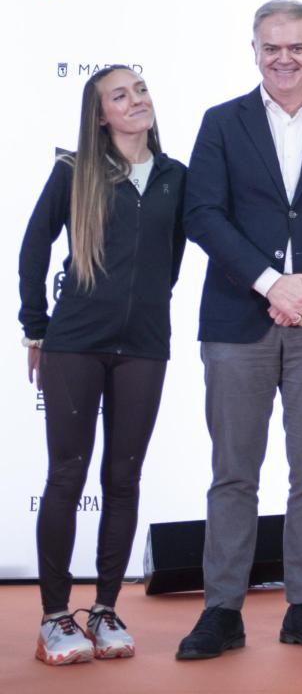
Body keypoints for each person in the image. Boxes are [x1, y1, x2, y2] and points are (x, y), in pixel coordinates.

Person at [177, 0, 302, 660]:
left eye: (296, 47)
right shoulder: (221, 123)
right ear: (255, 50)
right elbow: (204, 215)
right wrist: (272, 285)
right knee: (233, 473)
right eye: (272, 48)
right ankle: (221, 610)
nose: (284, 59)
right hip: (240, 320)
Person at [21, 67, 185, 665]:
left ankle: (107, 608)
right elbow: (34, 247)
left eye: (141, 89)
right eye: (120, 95)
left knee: (124, 478)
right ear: (100, 116)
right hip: (74, 345)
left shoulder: (175, 177)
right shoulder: (73, 172)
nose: (137, 100)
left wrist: (141, 310)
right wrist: (35, 326)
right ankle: (55, 616)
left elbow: (170, 264)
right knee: (67, 475)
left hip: (143, 345)